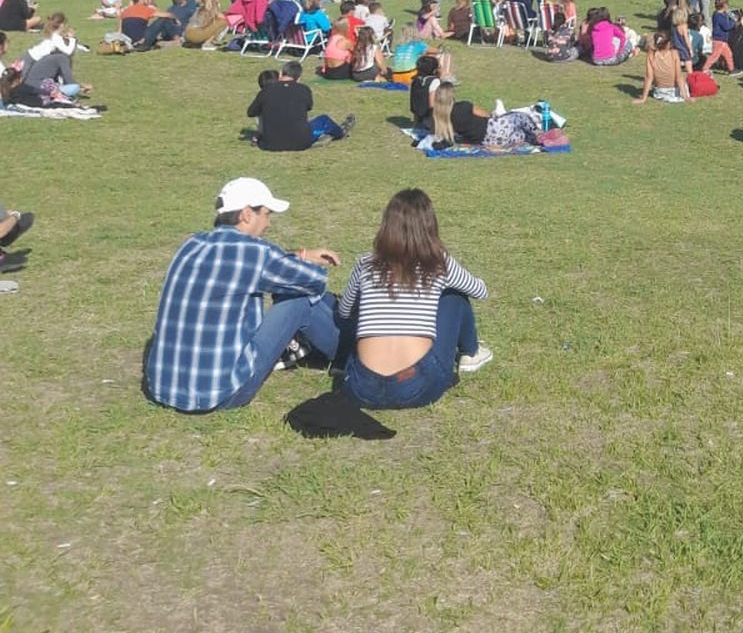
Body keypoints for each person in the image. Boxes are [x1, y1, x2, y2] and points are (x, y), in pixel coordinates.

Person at [145, 177, 342, 412]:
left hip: (161, 388)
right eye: (266, 214)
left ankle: (322, 348)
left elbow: (257, 265)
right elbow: (314, 280)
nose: (268, 224)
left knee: (287, 284)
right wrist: (306, 262)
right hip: (223, 393)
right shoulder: (254, 253)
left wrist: (300, 255)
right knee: (298, 298)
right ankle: (346, 355)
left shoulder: (191, 244)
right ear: (247, 214)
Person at [337, 188, 491, 411]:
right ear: (429, 227)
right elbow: (480, 291)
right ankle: (471, 352)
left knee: (359, 307)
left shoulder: (366, 263)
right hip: (417, 385)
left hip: (361, 387)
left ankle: (343, 363)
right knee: (455, 295)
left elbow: (344, 311)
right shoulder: (440, 264)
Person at [248, 62, 354, 149]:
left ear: (281, 74)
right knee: (324, 120)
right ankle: (340, 133)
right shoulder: (303, 89)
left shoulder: (266, 91)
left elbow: (251, 112)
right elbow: (308, 107)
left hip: (270, 143)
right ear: (298, 78)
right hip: (301, 141)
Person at [638, 30, 687, 102]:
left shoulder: (651, 55)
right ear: (668, 43)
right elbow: (679, 77)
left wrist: (643, 98)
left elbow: (649, 77)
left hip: (659, 92)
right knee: (685, 79)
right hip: (675, 92)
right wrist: (686, 97)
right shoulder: (674, 53)